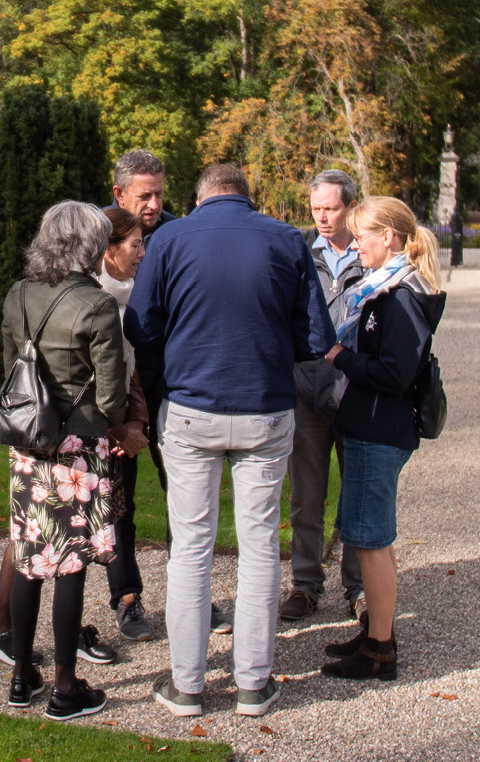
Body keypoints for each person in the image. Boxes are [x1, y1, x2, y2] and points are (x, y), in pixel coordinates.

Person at [127, 164, 336, 719]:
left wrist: (155, 391)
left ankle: (188, 684)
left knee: (191, 547)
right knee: (260, 543)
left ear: (199, 201)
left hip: (191, 409)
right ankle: (252, 682)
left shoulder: (169, 239)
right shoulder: (286, 239)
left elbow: (141, 328)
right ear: (247, 197)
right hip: (263, 407)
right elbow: (315, 336)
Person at [0, 201, 128, 720]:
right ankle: (65, 686)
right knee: (70, 565)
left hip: (29, 443)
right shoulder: (96, 306)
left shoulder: (17, 295)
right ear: (90, 248)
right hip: (78, 449)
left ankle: (20, 674)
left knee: (31, 560)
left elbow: (12, 371)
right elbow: (113, 401)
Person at [319, 196, 445, 681]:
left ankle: (380, 648)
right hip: (369, 425)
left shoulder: (401, 296)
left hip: (379, 428)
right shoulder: (385, 290)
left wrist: (341, 358)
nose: (356, 248)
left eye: (363, 238)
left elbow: (395, 372)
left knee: (372, 542)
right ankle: (375, 633)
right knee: (370, 539)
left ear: (388, 238)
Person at [105, 149, 228, 635]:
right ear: (119, 195)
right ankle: (127, 596)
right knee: (119, 497)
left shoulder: (182, 233)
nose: (154, 203)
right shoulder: (100, 236)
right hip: (114, 389)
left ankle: (193, 594)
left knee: (185, 493)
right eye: (144, 195)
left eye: (160, 193)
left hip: (175, 384)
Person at [282, 170, 369, 622]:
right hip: (305, 390)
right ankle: (305, 584)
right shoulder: (300, 252)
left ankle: (358, 587)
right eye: (315, 208)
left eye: (330, 208)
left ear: (350, 207)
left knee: (357, 495)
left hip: (355, 393)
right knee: (306, 494)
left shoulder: (371, 255)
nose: (321, 217)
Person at [93, 207, 153, 641]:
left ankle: (127, 598)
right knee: (79, 523)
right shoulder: (91, 297)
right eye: (136, 245)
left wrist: (135, 423)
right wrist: (117, 428)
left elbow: (131, 371)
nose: (143, 253)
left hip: (122, 426)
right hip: (88, 432)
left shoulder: (137, 294)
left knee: (121, 513)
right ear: (109, 250)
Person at [109, 149, 178, 239]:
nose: (154, 206)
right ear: (120, 194)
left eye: (158, 194)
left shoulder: (177, 232)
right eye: (144, 196)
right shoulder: (96, 230)